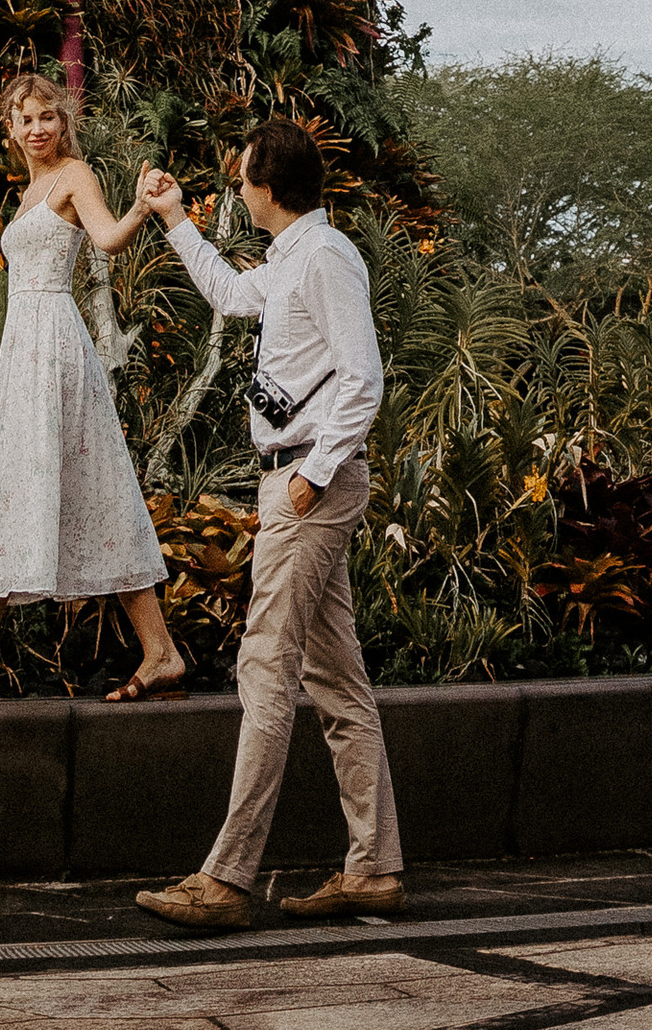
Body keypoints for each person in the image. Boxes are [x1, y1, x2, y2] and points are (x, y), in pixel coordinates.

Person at [131, 119, 404, 932]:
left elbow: (364, 377)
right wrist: (175, 218)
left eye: (239, 177)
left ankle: (228, 878)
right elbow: (229, 293)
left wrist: (312, 479)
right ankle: (375, 868)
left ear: (266, 184)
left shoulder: (323, 259)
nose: (235, 188)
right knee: (336, 679)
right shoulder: (291, 259)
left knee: (267, 667)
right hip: (296, 476)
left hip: (308, 481)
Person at [0, 68, 186, 706]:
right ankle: (156, 652)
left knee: (63, 486)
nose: (38, 129)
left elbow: (107, 239)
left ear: (65, 122)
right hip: (23, 351)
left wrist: (144, 203)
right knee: (55, 489)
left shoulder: (74, 176)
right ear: (11, 129)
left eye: (48, 117)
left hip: (55, 347)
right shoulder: (31, 189)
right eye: (25, 119)